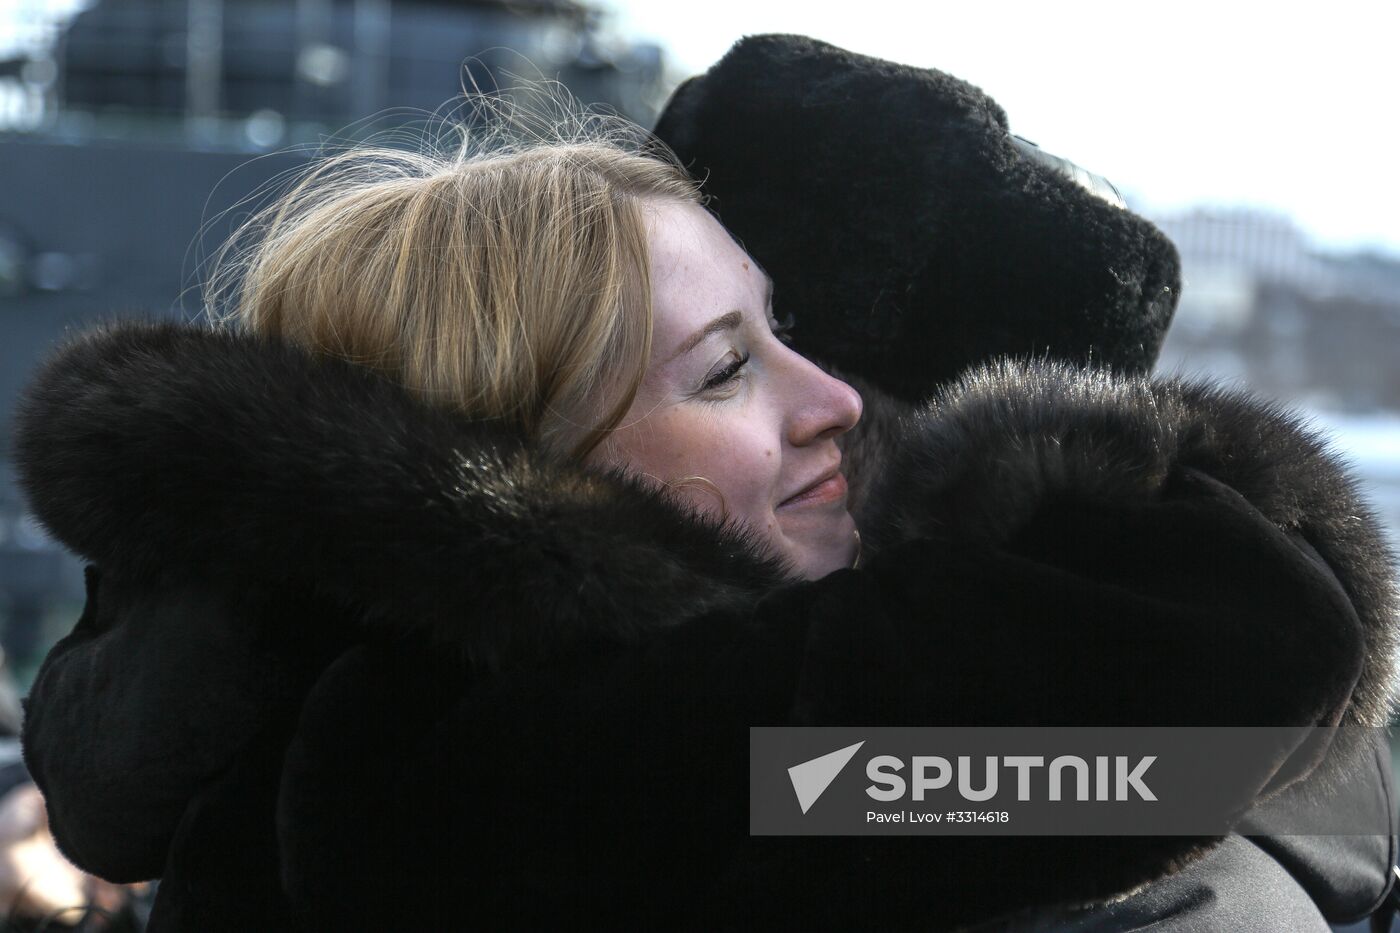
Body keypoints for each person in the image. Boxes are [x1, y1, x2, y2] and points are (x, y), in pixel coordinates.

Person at [14, 68, 1398, 933]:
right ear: (530, 476)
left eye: (782, 327)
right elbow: (1222, 675)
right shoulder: (558, 788)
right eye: (727, 366)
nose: (837, 399)